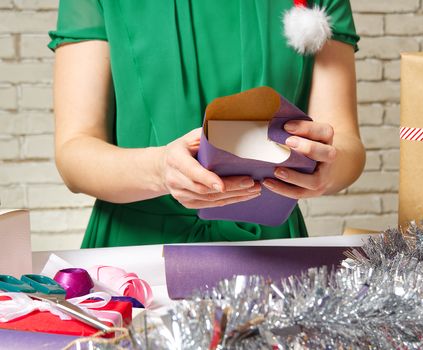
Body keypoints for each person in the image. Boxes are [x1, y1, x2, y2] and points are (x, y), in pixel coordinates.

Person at [48, 0, 365, 248]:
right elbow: (74, 152)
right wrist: (160, 170)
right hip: (134, 256)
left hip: (272, 248)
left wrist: (326, 168)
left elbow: (346, 143)